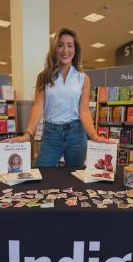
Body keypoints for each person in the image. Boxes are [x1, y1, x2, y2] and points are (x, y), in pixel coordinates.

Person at [6, 28, 115, 167]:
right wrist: (28, 133)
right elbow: (38, 107)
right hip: (51, 134)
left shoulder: (83, 79)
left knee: (74, 177)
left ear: (75, 50)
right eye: (60, 45)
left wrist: (93, 135)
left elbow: (84, 111)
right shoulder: (44, 77)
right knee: (42, 172)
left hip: (76, 133)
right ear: (55, 49)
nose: (65, 50)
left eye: (70, 45)